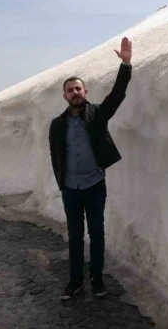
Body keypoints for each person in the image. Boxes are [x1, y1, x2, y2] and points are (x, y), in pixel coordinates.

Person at [48, 36, 133, 299]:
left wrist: (126, 65)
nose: (75, 93)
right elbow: (55, 155)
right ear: (65, 96)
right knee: (75, 235)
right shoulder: (57, 124)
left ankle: (96, 278)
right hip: (71, 188)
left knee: (97, 232)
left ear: (86, 92)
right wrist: (62, 183)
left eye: (79, 89)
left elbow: (117, 95)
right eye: (70, 90)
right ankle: (75, 281)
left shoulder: (97, 114)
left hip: (95, 184)